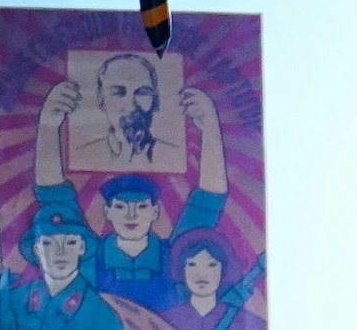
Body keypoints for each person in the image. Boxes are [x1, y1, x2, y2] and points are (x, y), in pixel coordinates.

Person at [32, 73, 226, 303]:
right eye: (121, 207)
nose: (131, 215)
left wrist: (212, 129)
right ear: (108, 211)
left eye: (141, 207)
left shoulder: (175, 256)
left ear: (155, 211)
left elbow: (208, 201)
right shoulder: (88, 256)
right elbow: (54, 196)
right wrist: (48, 126)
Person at [0, 202, 127, 330]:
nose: (60, 252)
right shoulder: (12, 302)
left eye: (70, 242)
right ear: (36, 249)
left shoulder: (102, 317)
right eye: (48, 243)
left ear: (82, 247)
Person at [160, 233, 266, 330]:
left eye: (212, 265)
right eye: (192, 264)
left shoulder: (249, 325)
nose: (202, 273)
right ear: (182, 270)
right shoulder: (165, 322)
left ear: (224, 270)